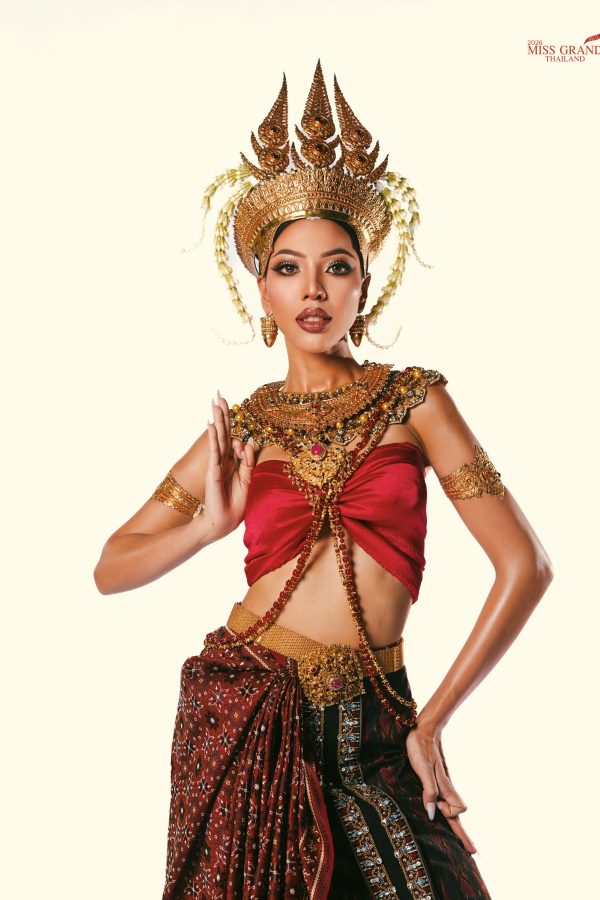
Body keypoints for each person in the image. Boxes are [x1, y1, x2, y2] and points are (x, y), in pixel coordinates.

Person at [94, 61, 553, 900]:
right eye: (288, 267)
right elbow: (110, 566)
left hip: (382, 722)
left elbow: (526, 566)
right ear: (262, 289)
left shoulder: (415, 401)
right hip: (254, 716)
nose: (313, 288)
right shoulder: (247, 428)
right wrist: (206, 527)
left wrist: (432, 721)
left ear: (364, 284)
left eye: (336, 266)